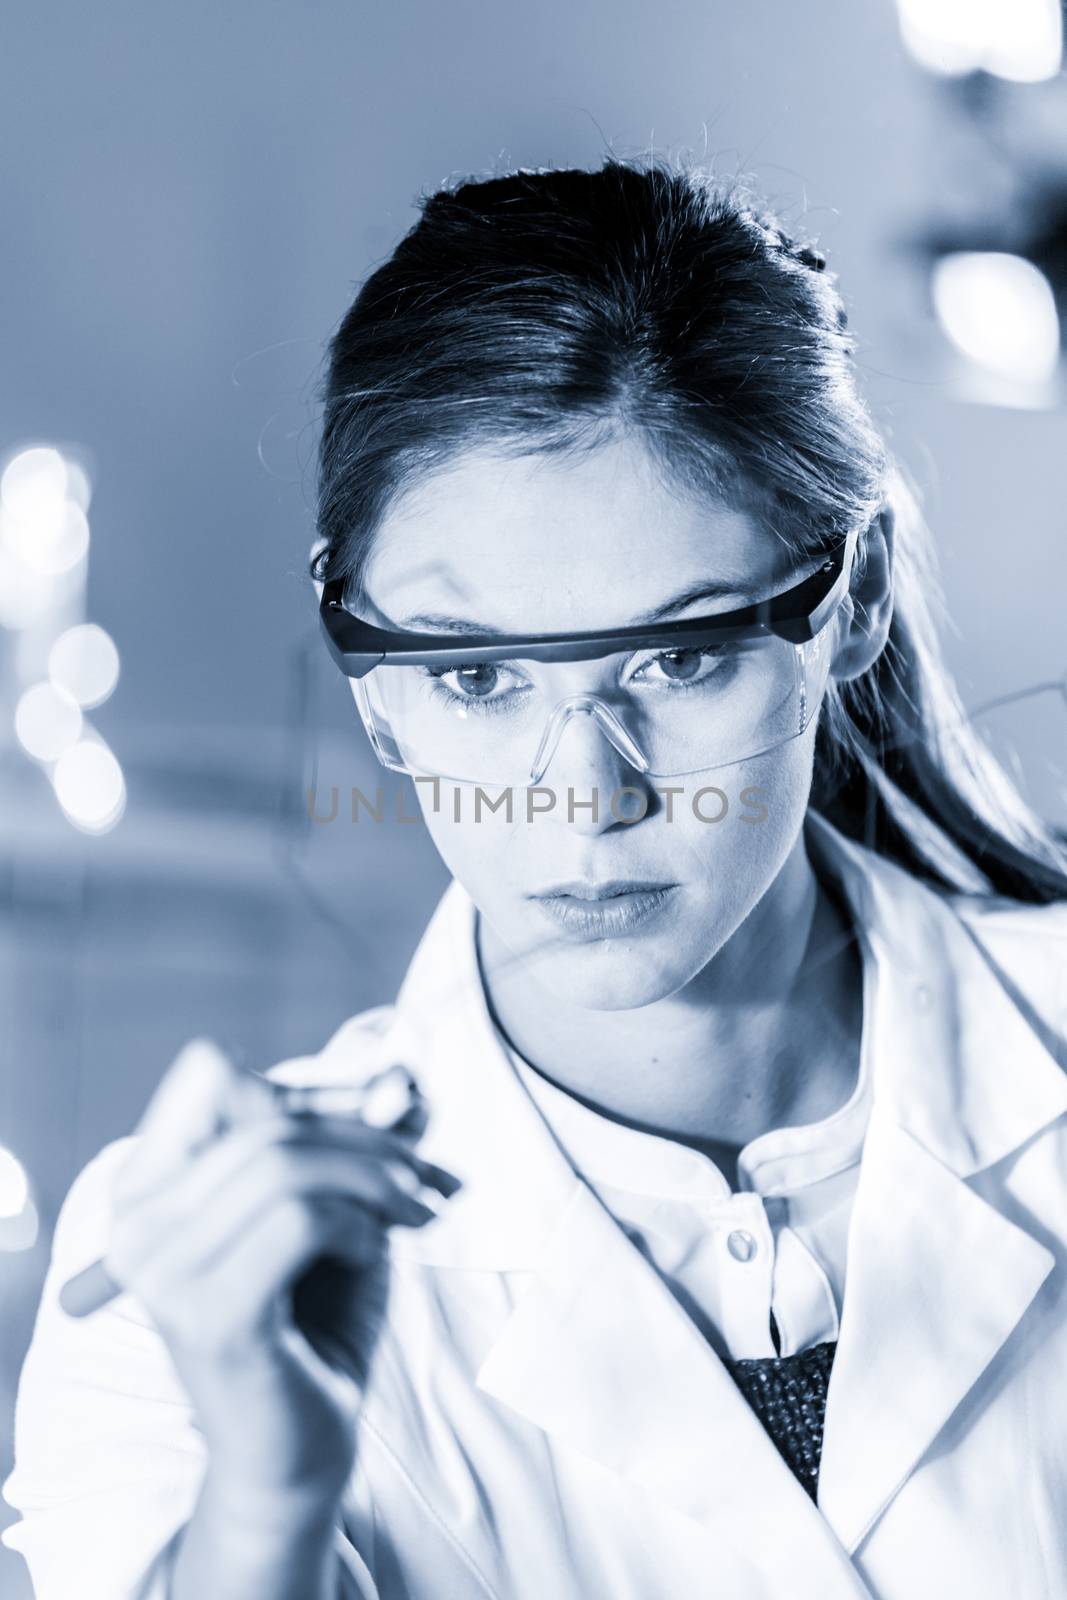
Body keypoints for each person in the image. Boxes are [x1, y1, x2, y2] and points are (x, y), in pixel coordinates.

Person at [4, 156, 1067, 1600]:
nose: (583, 798)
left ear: (850, 603)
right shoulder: (174, 1290)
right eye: (476, 674)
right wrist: (266, 1501)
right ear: (373, 689)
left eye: (678, 655)